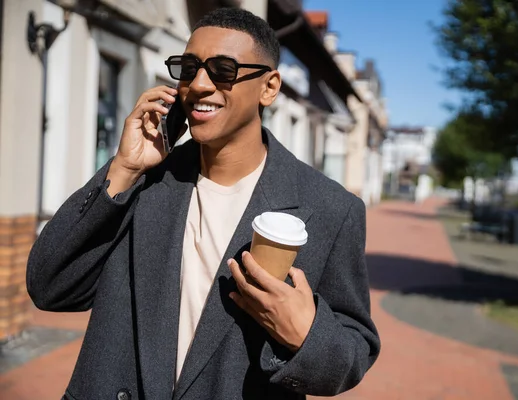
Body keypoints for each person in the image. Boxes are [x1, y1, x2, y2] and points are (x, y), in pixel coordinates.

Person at [27, 7, 379, 400]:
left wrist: (304, 334)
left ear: (269, 86)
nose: (198, 84)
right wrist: (124, 168)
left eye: (223, 70)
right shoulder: (146, 181)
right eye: (189, 68)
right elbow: (49, 286)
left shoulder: (331, 208)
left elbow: (352, 352)